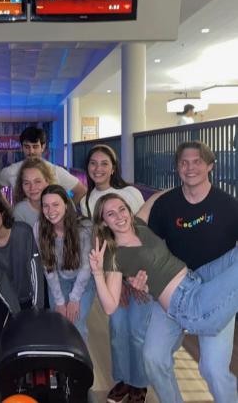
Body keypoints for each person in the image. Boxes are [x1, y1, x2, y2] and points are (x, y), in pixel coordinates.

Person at [140, 141, 238, 403]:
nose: (190, 167)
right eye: (184, 162)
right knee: (153, 358)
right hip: (174, 287)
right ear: (177, 168)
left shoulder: (228, 205)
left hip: (213, 291)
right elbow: (150, 247)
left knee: (214, 370)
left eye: (197, 162)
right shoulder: (165, 205)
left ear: (210, 166)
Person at [90, 193, 237, 336]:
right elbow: (110, 307)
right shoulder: (115, 255)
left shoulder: (138, 224)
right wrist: (97, 273)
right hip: (188, 305)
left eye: (122, 209)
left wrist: (184, 187)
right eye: (111, 214)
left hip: (195, 279)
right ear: (103, 222)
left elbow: (153, 199)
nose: (119, 216)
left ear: (128, 210)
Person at [80, 144, 150, 403]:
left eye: (104, 163)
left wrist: (141, 275)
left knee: (136, 331)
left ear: (113, 167)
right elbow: (100, 240)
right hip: (113, 274)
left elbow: (144, 231)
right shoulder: (86, 200)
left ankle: (139, 383)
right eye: (93, 163)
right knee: (118, 329)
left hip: (140, 276)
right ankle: (123, 379)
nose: (98, 168)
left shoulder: (129, 193)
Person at [0, 193, 44, 361]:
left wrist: (36, 308)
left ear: (2, 213)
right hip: (4, 294)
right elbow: (0, 281)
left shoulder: (23, 231)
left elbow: (35, 270)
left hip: (31, 292)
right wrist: (16, 311)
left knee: (32, 335)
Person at [34, 185, 94, 343]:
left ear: (66, 205)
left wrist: (74, 299)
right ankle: (62, 366)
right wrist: (60, 302)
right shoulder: (39, 227)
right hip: (59, 278)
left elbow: (86, 267)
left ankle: (81, 366)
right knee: (59, 324)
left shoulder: (84, 227)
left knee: (76, 324)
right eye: (45, 206)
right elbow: (48, 267)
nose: (50, 210)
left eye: (55, 204)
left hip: (84, 279)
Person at [0, 126, 86, 205]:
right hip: (20, 219)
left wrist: (65, 212)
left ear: (43, 147)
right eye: (27, 147)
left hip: (50, 220)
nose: (31, 151)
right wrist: (9, 211)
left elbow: (81, 190)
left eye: (35, 146)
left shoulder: (55, 171)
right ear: (22, 147)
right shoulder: (11, 171)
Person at [12, 157, 56, 227]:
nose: (32, 187)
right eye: (26, 183)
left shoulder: (63, 203)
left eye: (37, 181)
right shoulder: (20, 211)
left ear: (47, 181)